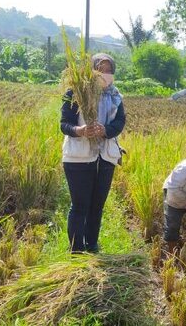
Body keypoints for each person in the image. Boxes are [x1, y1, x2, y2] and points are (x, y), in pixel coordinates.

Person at [60, 53, 126, 253]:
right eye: (100, 70)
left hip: (105, 157)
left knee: (97, 206)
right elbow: (64, 124)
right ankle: (77, 250)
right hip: (78, 157)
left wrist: (105, 130)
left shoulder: (116, 96)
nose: (105, 75)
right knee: (80, 206)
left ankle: (92, 245)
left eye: (109, 71)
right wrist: (79, 131)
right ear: (91, 70)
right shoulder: (75, 92)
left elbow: (119, 122)